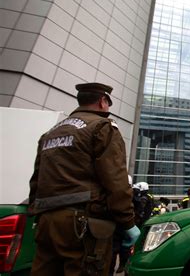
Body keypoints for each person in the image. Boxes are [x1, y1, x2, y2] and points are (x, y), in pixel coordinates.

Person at [28, 82, 140, 276]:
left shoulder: (51, 133)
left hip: (47, 221)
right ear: (102, 101)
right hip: (83, 225)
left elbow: (36, 180)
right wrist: (128, 223)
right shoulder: (102, 127)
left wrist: (36, 213)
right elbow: (116, 182)